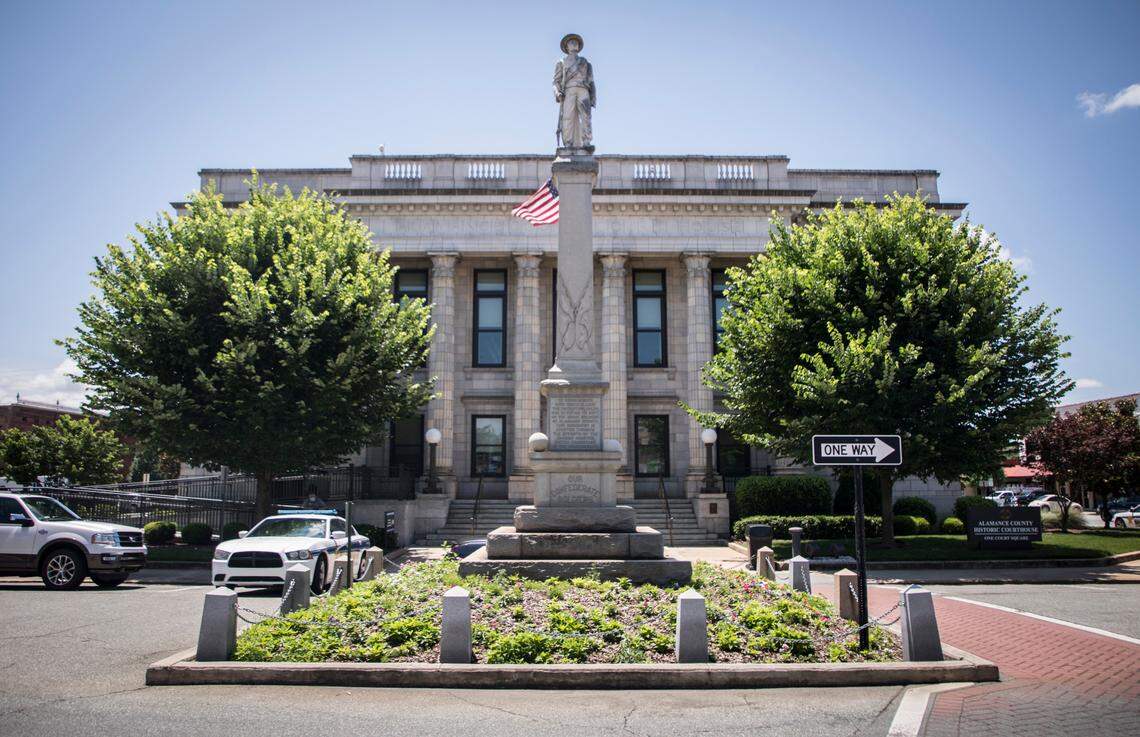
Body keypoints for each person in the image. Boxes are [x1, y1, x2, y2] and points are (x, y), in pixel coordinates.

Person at [553, 33, 596, 148]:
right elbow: (555, 82)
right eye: (571, 42)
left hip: (583, 90)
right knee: (568, 117)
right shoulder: (561, 63)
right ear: (566, 47)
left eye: (576, 42)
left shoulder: (585, 63)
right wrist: (557, 93)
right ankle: (568, 143)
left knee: (586, 116)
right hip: (569, 90)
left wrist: (593, 97)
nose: (574, 43)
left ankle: (586, 141)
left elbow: (591, 82)